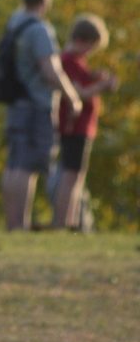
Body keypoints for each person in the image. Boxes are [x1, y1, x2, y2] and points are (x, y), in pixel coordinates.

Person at [0, 0, 82, 231]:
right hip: (36, 104)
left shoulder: (16, 21)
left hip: (17, 103)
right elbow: (50, 71)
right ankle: (20, 225)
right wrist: (72, 97)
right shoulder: (40, 30)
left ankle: (12, 224)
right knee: (28, 166)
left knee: (14, 163)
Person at [52, 14, 118, 230]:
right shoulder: (68, 60)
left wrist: (94, 76)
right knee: (71, 175)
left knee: (76, 175)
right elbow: (79, 93)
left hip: (82, 126)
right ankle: (63, 222)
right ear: (84, 40)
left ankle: (71, 222)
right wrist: (104, 85)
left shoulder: (77, 62)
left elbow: (83, 82)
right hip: (74, 125)